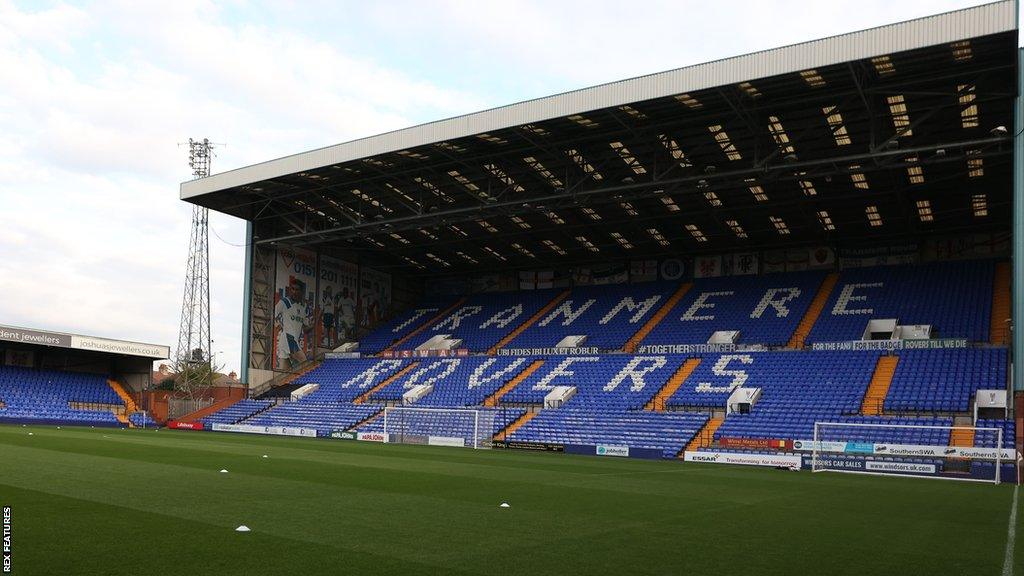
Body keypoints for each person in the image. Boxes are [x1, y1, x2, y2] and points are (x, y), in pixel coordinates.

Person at [274, 277, 309, 369]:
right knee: (304, 363)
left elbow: (305, 329)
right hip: (288, 338)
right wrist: (278, 324)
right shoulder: (285, 302)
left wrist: (317, 320)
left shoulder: (302, 308)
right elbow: (272, 314)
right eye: (292, 289)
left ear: (301, 292)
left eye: (297, 289)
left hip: (291, 341)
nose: (294, 291)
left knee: (285, 375)